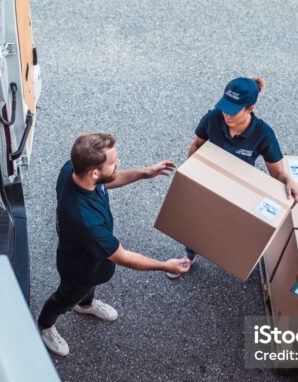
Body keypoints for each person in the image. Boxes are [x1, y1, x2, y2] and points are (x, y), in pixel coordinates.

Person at [38, 132, 190, 356]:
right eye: (113, 162)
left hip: (94, 260)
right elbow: (122, 256)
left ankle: (85, 305)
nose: (118, 163)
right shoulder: (86, 221)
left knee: (89, 287)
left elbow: (107, 181)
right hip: (79, 269)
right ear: (95, 172)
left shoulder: (72, 170)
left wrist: (144, 172)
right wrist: (165, 266)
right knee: (65, 297)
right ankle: (45, 325)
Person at [167, 76, 298, 278]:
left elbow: (277, 173)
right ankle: (189, 253)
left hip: (238, 188)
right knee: (198, 220)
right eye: (225, 107)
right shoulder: (213, 118)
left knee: (231, 225)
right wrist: (191, 172)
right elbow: (197, 144)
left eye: (233, 110)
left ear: (250, 108)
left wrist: (289, 181)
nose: (226, 115)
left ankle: (233, 258)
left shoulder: (263, 134)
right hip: (209, 180)